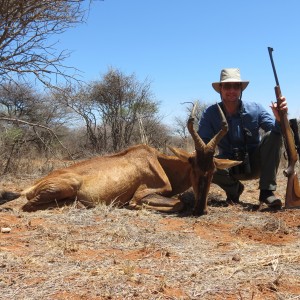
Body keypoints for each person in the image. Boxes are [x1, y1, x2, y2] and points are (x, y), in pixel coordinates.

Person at [198, 68, 288, 207]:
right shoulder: (210, 113)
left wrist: (280, 119)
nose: (232, 90)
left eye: (236, 86)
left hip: (255, 164)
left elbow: (277, 133)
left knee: (274, 135)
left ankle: (267, 192)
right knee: (201, 162)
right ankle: (234, 190)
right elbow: (203, 143)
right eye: (227, 86)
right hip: (227, 167)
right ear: (220, 88)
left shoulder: (255, 108)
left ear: (241, 89)